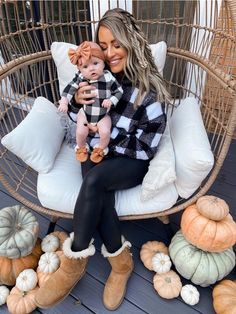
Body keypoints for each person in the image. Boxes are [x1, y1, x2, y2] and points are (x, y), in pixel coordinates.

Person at [35, 8, 170, 311]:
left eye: (116, 44)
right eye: (104, 45)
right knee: (98, 188)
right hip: (95, 148)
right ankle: (121, 263)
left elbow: (149, 142)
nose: (110, 53)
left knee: (95, 178)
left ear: (130, 42)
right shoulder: (92, 75)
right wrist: (76, 105)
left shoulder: (146, 87)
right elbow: (76, 117)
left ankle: (73, 264)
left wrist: (109, 150)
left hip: (129, 158)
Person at [58, 41, 123, 163]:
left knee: (105, 132)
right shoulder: (81, 77)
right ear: (80, 69)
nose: (92, 68)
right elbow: (69, 88)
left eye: (95, 63)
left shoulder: (108, 77)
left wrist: (111, 100)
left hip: (103, 115)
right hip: (85, 113)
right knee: (80, 131)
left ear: (103, 63)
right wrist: (64, 102)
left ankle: (101, 149)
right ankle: (82, 148)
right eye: (85, 67)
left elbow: (119, 91)